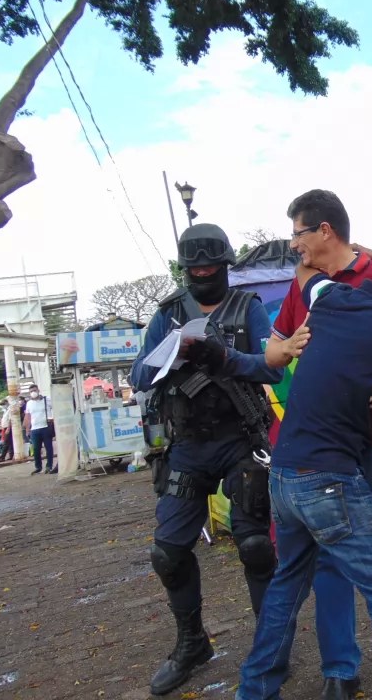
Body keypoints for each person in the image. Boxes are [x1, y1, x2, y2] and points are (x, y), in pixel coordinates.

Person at [238, 252, 372, 700]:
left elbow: (306, 275)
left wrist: (307, 258)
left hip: (283, 473)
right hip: (329, 480)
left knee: (288, 584)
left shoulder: (331, 296)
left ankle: (254, 691)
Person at [130, 223, 283, 697]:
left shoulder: (248, 308)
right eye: (194, 270)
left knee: (255, 544)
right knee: (168, 552)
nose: (202, 275)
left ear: (225, 267)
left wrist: (225, 357)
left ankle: (269, 647)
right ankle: (193, 642)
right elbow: (139, 374)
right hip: (188, 446)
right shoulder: (168, 313)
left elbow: (272, 367)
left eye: (210, 268)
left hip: (241, 438)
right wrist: (170, 356)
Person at [23, 384, 55, 475]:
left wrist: (52, 419)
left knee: (49, 448)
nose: (33, 392)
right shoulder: (29, 403)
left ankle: (49, 466)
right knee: (36, 449)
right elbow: (28, 416)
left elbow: (55, 408)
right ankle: (38, 467)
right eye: (31, 391)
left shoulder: (46, 400)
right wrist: (27, 429)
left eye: (34, 390)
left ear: (38, 390)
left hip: (45, 427)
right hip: (35, 429)